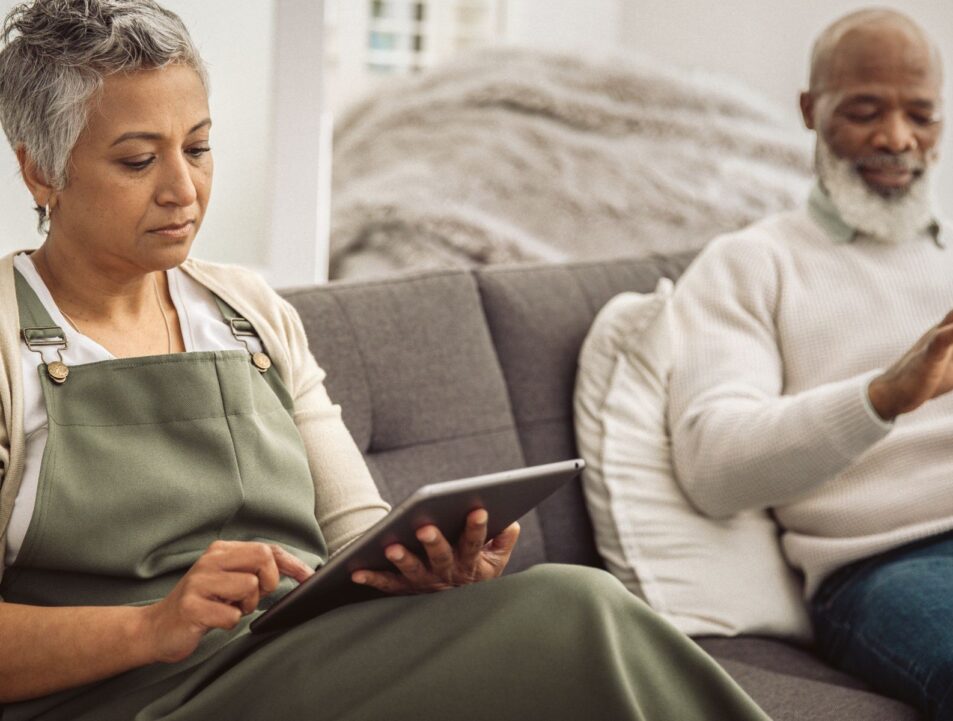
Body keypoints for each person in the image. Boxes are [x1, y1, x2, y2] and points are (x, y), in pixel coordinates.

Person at [0, 2, 773, 720]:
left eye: (198, 148)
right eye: (139, 160)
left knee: (563, 613)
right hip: (130, 698)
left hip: (297, 663)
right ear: (42, 170)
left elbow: (356, 536)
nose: (184, 189)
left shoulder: (250, 311)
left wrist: (426, 571)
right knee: (577, 608)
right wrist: (151, 627)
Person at [668, 7, 952, 720]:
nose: (896, 138)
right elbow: (711, 464)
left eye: (920, 114)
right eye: (864, 111)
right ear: (808, 109)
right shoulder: (751, 263)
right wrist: (882, 396)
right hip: (889, 563)